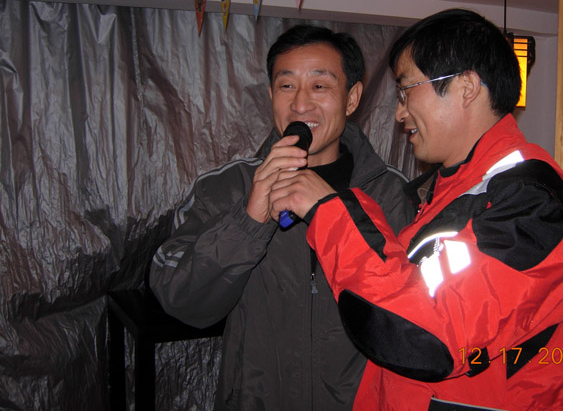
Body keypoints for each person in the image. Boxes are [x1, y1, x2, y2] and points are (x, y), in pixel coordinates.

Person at [270, 9, 563, 410]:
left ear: (466, 87)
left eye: (407, 90)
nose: (400, 113)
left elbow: (425, 339)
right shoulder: (447, 193)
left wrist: (330, 212)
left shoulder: (531, 201)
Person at [149, 25, 415, 411]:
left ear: (352, 97)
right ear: (271, 95)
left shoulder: (391, 195)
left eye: (320, 86)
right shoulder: (225, 188)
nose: (301, 104)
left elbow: (415, 317)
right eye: (286, 85)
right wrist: (249, 220)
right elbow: (179, 298)